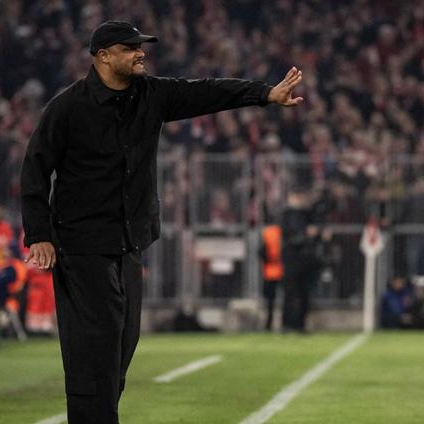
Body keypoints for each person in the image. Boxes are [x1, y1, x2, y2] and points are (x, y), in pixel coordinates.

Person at [20, 20, 303, 423]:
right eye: (129, 48)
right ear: (103, 57)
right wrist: (39, 234)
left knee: (123, 340)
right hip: (81, 244)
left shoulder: (151, 94)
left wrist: (264, 94)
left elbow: (207, 91)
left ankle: (99, 413)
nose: (141, 53)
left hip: (129, 242)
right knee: (95, 341)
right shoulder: (67, 107)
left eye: (140, 46)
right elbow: (34, 168)